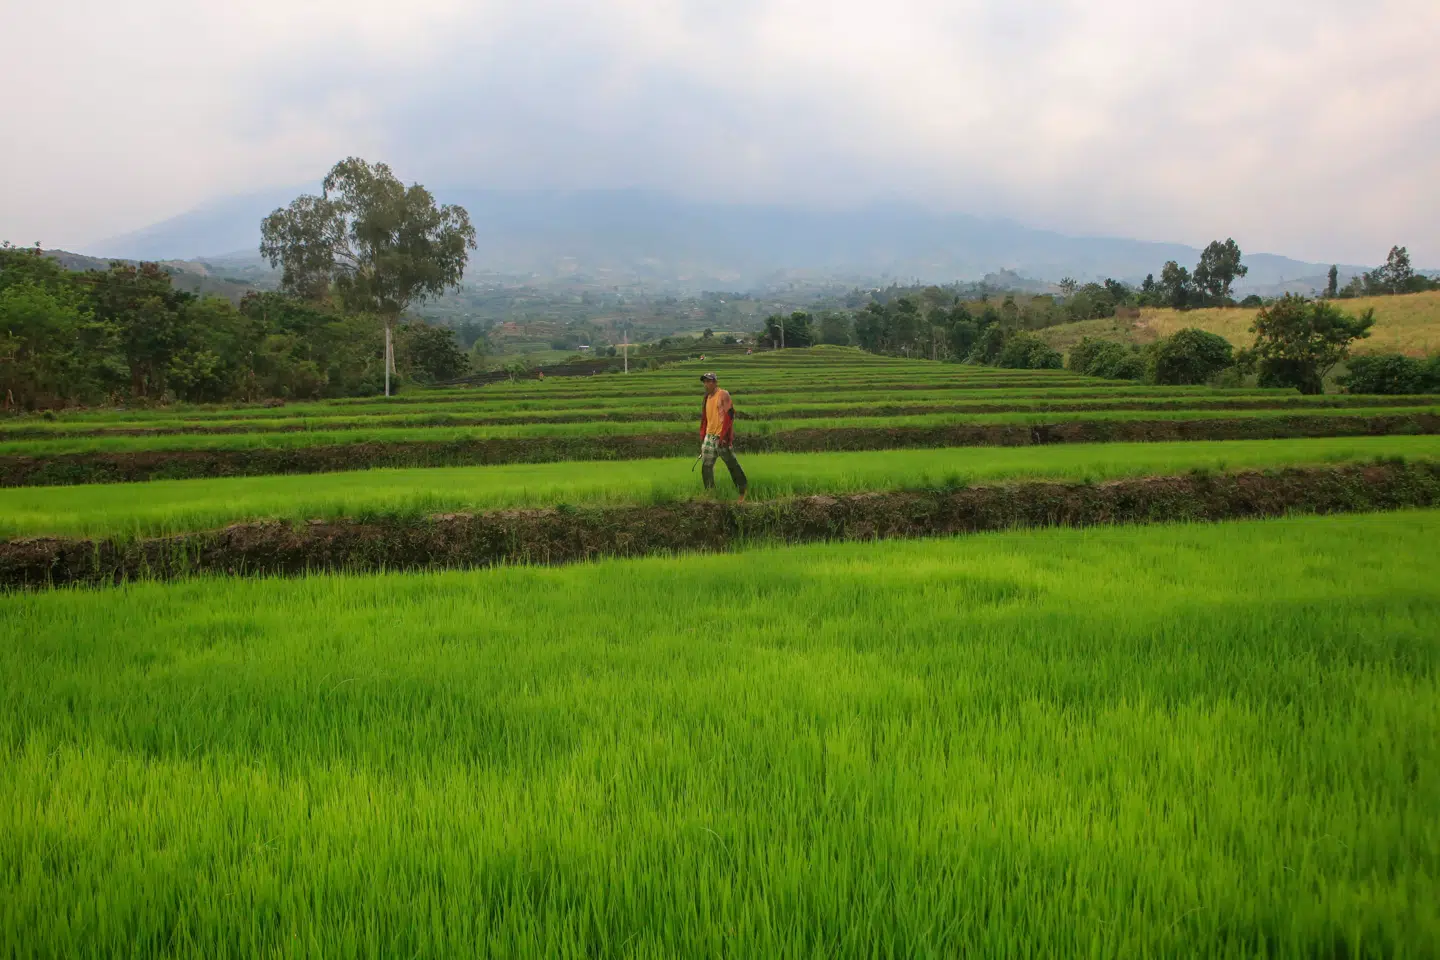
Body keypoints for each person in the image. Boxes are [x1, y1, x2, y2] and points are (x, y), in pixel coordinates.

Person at [698, 372, 747, 502]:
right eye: (705, 381)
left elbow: (730, 415)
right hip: (709, 436)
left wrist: (725, 436)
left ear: (715, 382)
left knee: (732, 464)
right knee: (706, 466)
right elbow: (705, 418)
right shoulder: (706, 398)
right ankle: (710, 493)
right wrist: (703, 435)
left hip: (721, 436)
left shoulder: (723, 394)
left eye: (709, 381)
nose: (706, 384)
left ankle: (742, 491)